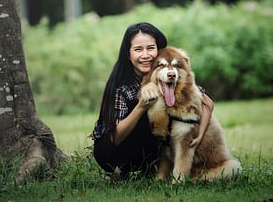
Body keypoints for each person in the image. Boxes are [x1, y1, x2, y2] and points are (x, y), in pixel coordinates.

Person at [91, 22, 214, 179]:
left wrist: (200, 134)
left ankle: (152, 169)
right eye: (138, 50)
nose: (145, 55)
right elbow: (113, 138)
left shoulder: (166, 75)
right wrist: (141, 106)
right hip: (111, 152)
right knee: (152, 112)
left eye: (150, 48)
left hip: (149, 150)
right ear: (128, 54)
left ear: (159, 50)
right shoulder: (122, 87)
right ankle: (121, 171)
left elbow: (207, 102)